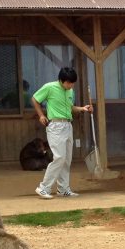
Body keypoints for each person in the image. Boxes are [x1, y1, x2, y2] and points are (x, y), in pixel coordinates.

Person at [30, 67, 93, 199]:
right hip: (55, 125)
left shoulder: (70, 91)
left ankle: (63, 189)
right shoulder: (49, 87)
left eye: (73, 83)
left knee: (67, 158)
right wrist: (41, 115)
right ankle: (43, 187)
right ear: (61, 80)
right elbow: (35, 99)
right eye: (69, 83)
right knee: (59, 157)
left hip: (68, 124)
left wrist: (82, 108)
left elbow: (70, 107)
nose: (71, 86)